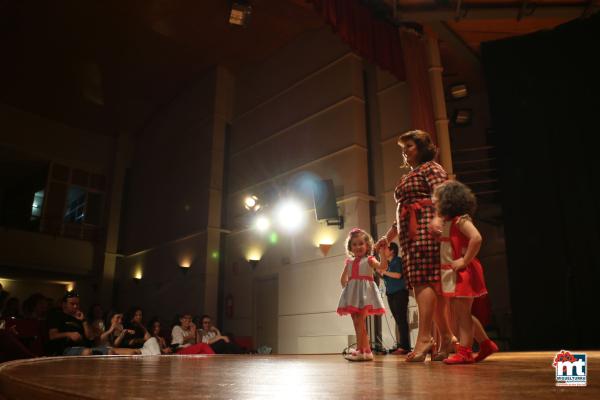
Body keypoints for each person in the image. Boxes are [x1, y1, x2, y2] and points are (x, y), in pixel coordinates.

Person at [376, 129, 453, 362]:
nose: (405, 152)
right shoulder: (408, 175)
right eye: (403, 148)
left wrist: (438, 219)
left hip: (425, 228)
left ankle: (426, 337)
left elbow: (442, 194)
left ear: (422, 146)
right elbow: (402, 210)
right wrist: (388, 237)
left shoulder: (432, 167)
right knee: (424, 283)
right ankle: (447, 338)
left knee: (423, 281)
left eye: (409, 146)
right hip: (410, 233)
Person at [433, 180, 499, 364]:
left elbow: (476, 238)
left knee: (462, 315)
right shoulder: (450, 222)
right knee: (463, 313)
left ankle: (465, 352)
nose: (435, 204)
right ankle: (486, 344)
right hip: (455, 272)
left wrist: (464, 260)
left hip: (463, 272)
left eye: (438, 200)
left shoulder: (461, 220)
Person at [337, 228, 387, 362]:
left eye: (361, 244)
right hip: (353, 295)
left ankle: (364, 350)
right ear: (350, 247)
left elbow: (382, 266)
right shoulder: (349, 262)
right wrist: (347, 291)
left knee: (360, 321)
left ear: (367, 246)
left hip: (365, 295)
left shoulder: (369, 260)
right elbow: (343, 279)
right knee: (356, 321)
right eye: (354, 244)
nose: (358, 247)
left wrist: (382, 253)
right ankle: (363, 349)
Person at [47, 290, 109, 356]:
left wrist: (84, 321)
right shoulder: (57, 315)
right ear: (64, 304)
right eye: (72, 304)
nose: (75, 306)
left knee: (109, 352)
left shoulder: (80, 317)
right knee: (87, 352)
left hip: (85, 348)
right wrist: (69, 334)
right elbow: (52, 335)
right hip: (66, 349)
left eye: (77, 304)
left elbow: (90, 337)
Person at [379, 242, 410, 355]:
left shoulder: (397, 260)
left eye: (386, 249)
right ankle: (401, 345)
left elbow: (398, 275)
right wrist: (380, 272)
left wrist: (384, 272)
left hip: (400, 292)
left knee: (401, 320)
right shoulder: (388, 263)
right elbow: (386, 276)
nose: (384, 251)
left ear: (392, 250)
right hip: (391, 293)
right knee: (398, 320)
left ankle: (405, 347)